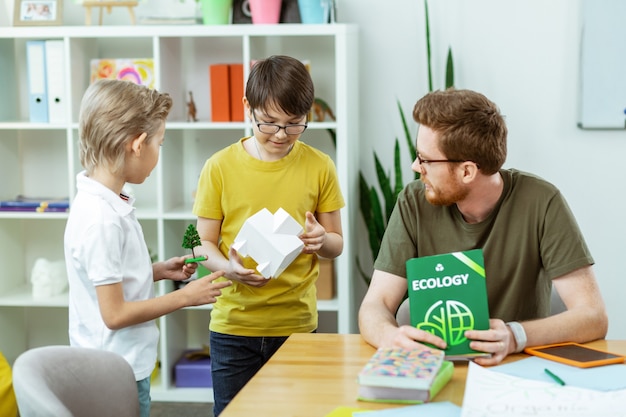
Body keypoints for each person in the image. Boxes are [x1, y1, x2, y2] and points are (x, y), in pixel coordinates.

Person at [358, 88, 608, 366]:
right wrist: (388, 336)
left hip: (520, 367)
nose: (416, 167)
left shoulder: (542, 201)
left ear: (467, 171)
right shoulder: (413, 202)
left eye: (425, 159)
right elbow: (375, 304)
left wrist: (515, 336)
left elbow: (593, 315)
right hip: (436, 367)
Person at [64, 79, 232, 417]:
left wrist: (154, 272)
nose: (159, 152)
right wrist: (185, 296)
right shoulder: (103, 220)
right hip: (114, 372)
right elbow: (114, 315)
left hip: (109, 365)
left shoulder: (100, 202)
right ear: (138, 144)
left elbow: (106, 279)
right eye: (160, 142)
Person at [192, 55, 345, 416]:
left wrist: (321, 240)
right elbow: (202, 243)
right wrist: (228, 270)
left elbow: (337, 244)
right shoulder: (220, 166)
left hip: (296, 325)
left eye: (294, 125)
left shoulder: (319, 165)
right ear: (248, 107)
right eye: (269, 123)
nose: (280, 135)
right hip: (234, 327)